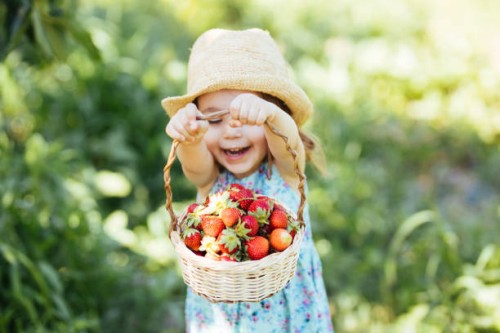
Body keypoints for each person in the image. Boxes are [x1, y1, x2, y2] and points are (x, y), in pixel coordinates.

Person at [162, 28, 333, 333]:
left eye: (248, 118)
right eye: (214, 119)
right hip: (221, 317)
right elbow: (194, 166)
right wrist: (188, 138)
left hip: (287, 317)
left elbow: (288, 142)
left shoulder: (286, 171)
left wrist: (270, 116)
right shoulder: (212, 182)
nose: (231, 131)